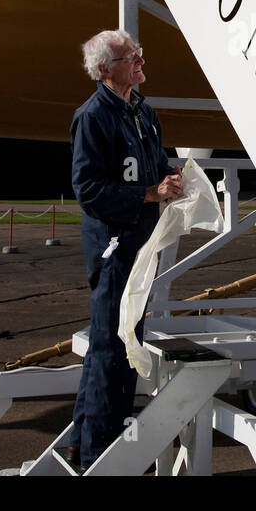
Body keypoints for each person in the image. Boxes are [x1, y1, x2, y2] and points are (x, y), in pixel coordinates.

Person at [65, 29, 182, 469]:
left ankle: (84, 442)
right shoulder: (93, 116)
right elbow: (88, 189)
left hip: (142, 241)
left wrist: (169, 177)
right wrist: (149, 194)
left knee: (113, 343)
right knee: (115, 347)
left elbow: (154, 164)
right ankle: (102, 455)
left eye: (137, 51)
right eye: (129, 55)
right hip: (115, 247)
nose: (139, 57)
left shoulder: (143, 110)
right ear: (104, 69)